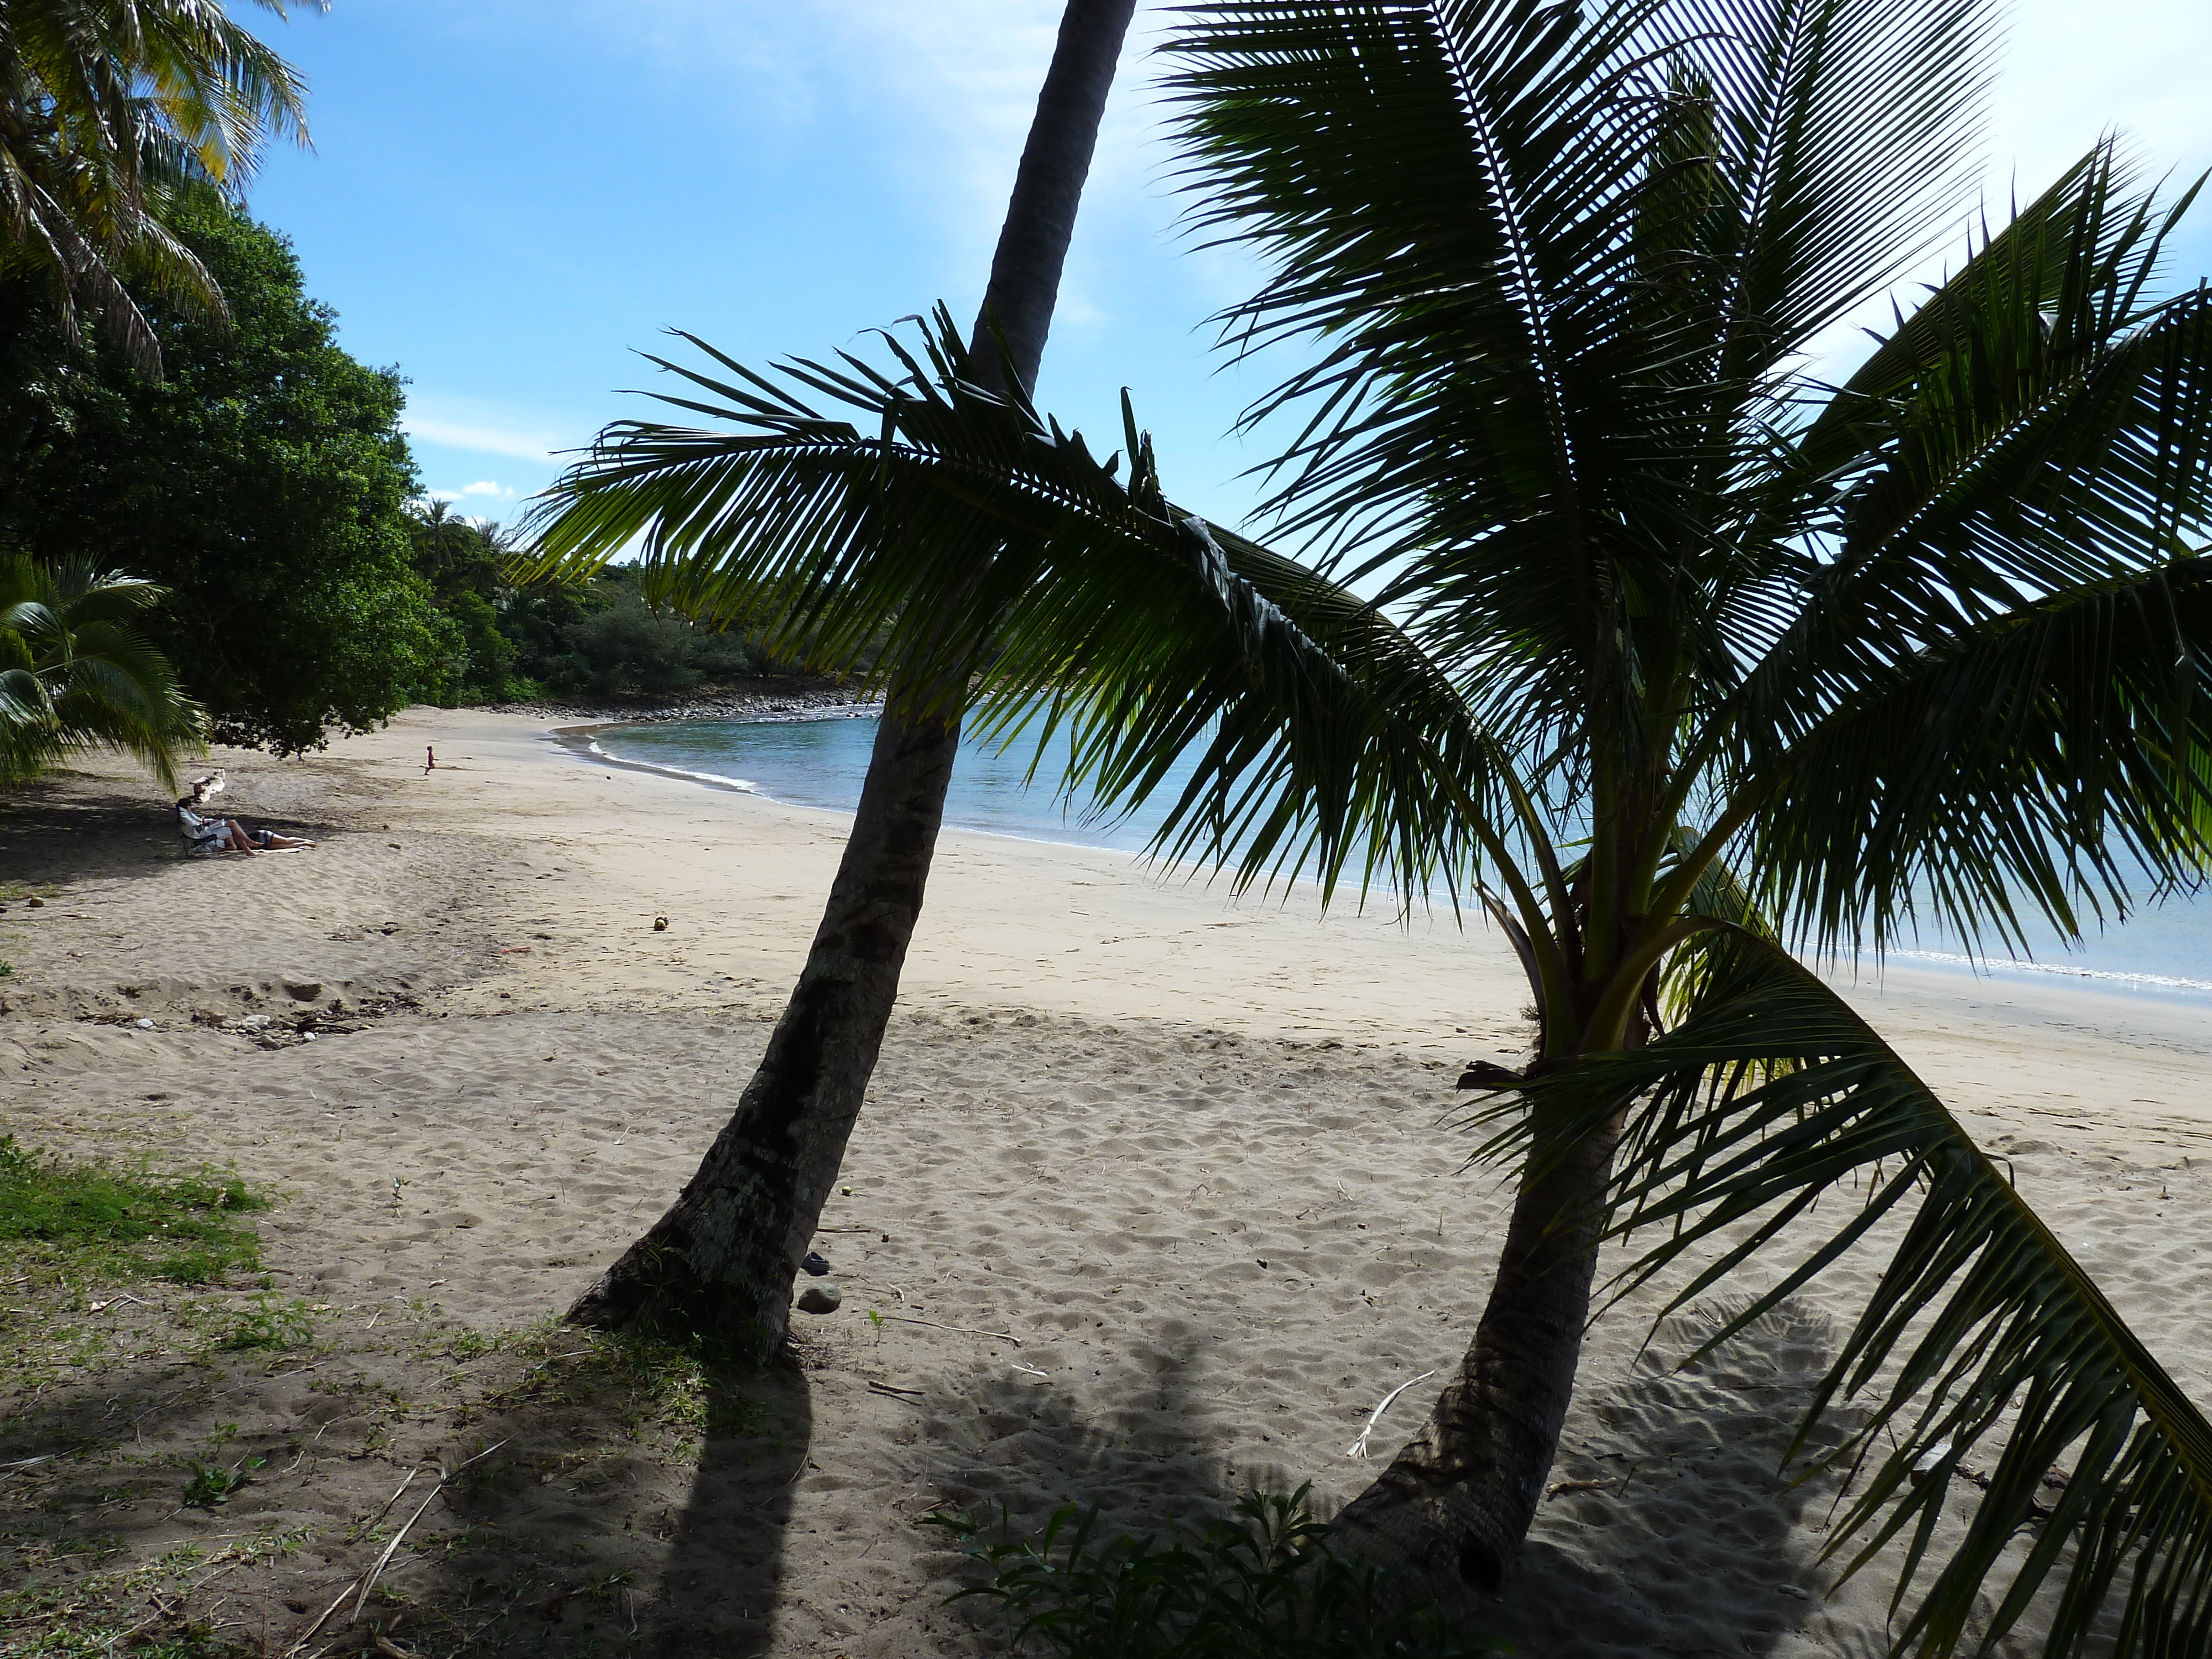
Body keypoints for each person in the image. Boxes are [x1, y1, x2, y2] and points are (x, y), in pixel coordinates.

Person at [175, 783, 316, 855]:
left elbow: (231, 847)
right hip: (261, 835)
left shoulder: (187, 815)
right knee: (231, 824)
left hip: (261, 838)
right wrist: (206, 822)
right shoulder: (186, 816)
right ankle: (250, 844)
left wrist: (207, 821)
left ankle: (306, 843)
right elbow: (195, 823)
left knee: (285, 843)